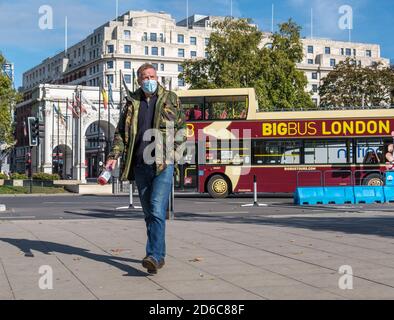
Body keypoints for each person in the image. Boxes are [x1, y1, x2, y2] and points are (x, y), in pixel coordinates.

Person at [106, 63, 186, 275]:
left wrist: (174, 154)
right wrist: (113, 157)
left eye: (152, 76)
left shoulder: (171, 99)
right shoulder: (131, 103)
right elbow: (121, 134)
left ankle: (154, 256)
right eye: (144, 77)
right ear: (139, 80)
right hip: (140, 165)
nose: (149, 79)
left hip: (162, 164)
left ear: (156, 77)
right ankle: (158, 255)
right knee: (149, 213)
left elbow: (182, 129)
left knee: (157, 207)